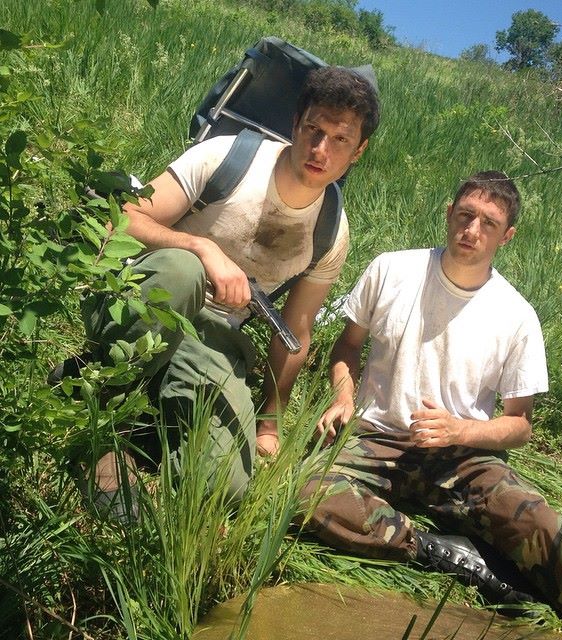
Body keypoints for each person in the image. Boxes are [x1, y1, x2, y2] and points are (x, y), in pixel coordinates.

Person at [301, 172, 562, 638]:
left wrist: (459, 431)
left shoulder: (517, 315)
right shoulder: (391, 269)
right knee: (308, 491)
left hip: (462, 458)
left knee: (538, 522)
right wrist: (342, 396)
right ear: (449, 214)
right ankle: (435, 549)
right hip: (375, 438)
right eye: (465, 215)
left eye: (488, 223)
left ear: (507, 235)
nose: (472, 230)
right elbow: (347, 347)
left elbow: (519, 425)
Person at [78, 66, 380, 519]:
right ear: (296, 123)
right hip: (146, 300)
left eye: (340, 139)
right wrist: (200, 248)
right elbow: (119, 219)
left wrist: (270, 422)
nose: (320, 150)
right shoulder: (226, 158)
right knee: (184, 271)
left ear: (359, 151)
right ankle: (96, 404)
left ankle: (147, 436)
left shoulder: (331, 230)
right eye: (314, 130)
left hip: (213, 341)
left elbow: (295, 328)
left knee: (228, 487)